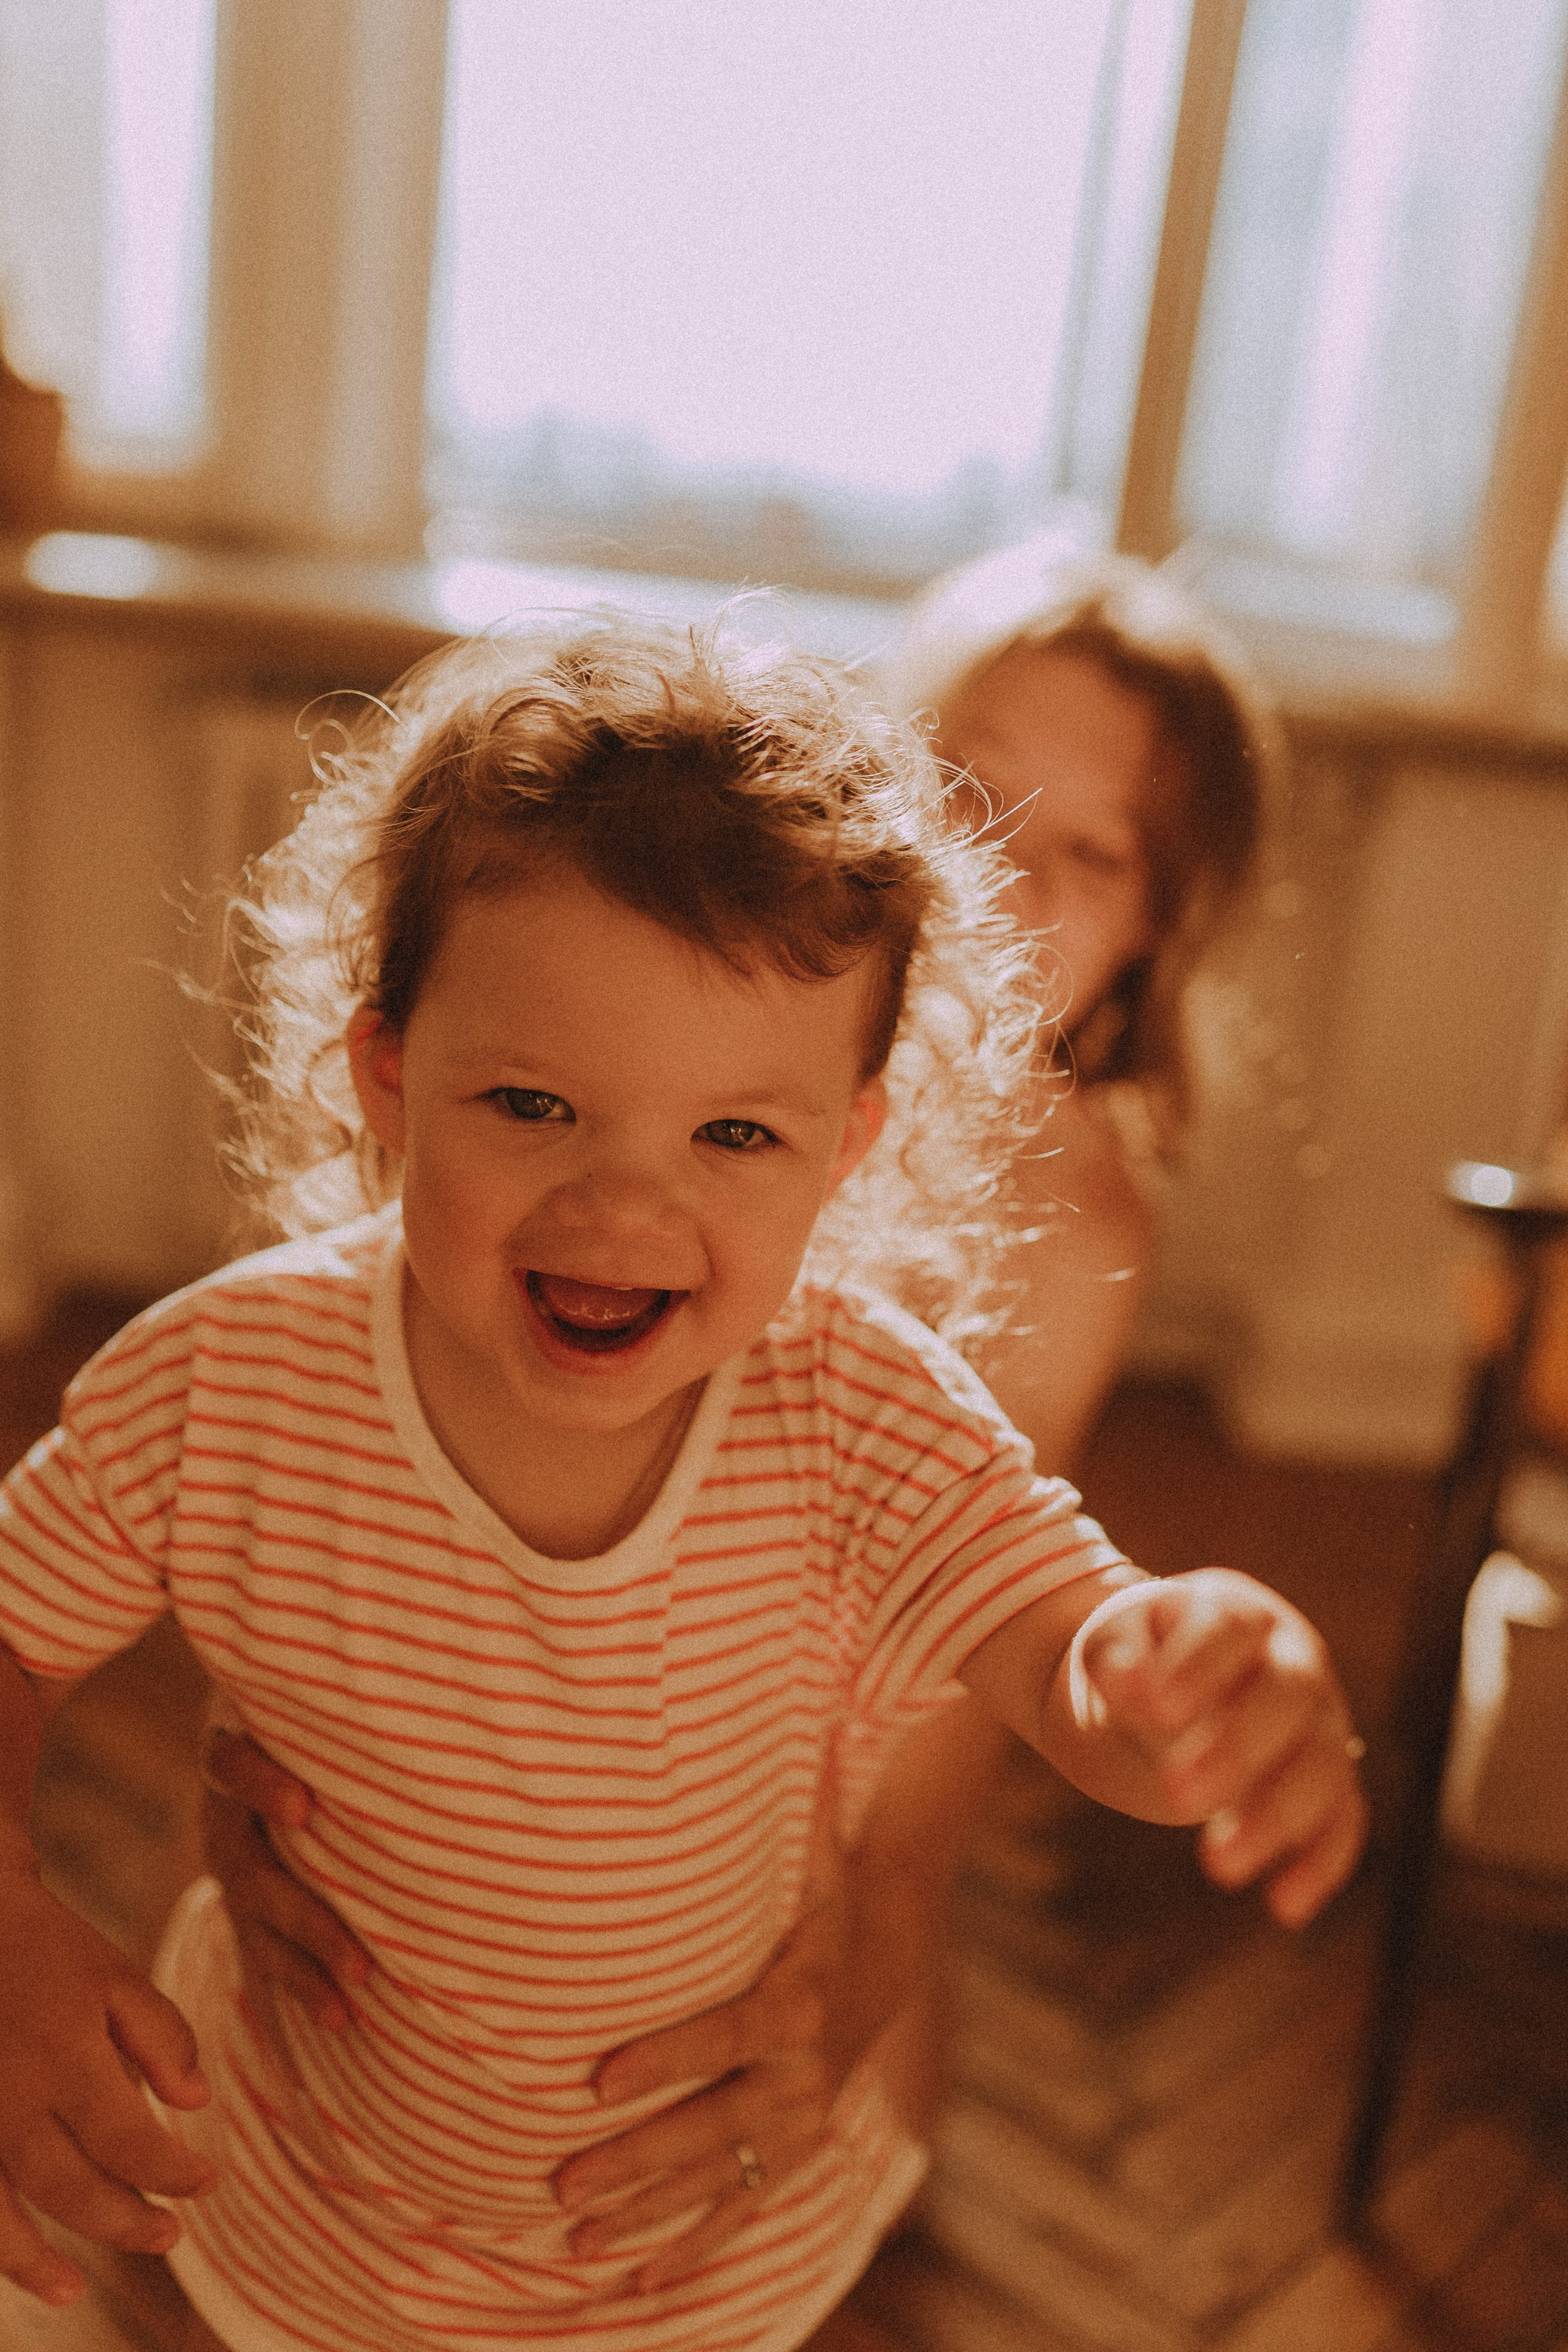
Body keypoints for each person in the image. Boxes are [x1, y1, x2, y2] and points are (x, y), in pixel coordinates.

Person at [0, 612, 1362, 2352]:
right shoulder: (223, 1384)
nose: (624, 1209)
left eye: (734, 1135)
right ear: (389, 1077)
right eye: (534, 1105)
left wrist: (1194, 1670)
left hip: (673, 2259)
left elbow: (1064, 1649)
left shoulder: (863, 1405)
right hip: (286, 2191)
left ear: (848, 1148)